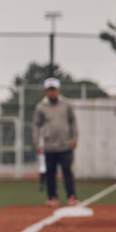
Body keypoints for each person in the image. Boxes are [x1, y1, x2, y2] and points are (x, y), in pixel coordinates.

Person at [32, 77, 79, 207]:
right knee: (50, 173)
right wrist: (37, 143)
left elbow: (73, 122)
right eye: (49, 90)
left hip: (65, 144)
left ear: (58, 90)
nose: (52, 92)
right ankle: (52, 197)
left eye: (54, 89)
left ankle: (71, 196)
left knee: (67, 171)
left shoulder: (66, 105)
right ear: (46, 91)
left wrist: (74, 138)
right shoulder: (41, 107)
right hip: (49, 146)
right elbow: (36, 125)